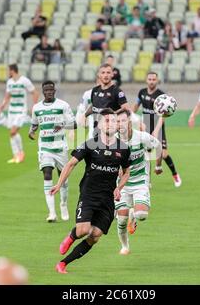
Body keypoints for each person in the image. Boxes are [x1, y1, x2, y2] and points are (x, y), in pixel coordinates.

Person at [52, 108, 131, 274]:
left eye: (113, 121)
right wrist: (59, 185)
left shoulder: (123, 148)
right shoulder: (90, 144)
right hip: (89, 195)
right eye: (107, 120)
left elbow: (126, 171)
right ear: (100, 125)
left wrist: (119, 187)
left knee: (95, 235)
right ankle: (71, 236)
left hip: (107, 200)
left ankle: (63, 264)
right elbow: (70, 164)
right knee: (83, 230)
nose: (110, 124)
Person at [115, 109, 162, 255]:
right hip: (121, 185)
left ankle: (133, 216)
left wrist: (158, 165)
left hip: (140, 180)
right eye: (117, 121)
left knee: (141, 215)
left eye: (123, 120)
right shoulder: (112, 141)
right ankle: (125, 246)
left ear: (129, 121)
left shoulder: (141, 137)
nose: (120, 124)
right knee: (121, 220)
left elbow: (158, 146)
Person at [29, 81, 76, 222]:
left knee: (63, 179)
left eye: (51, 89)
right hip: (44, 147)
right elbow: (34, 124)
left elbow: (74, 124)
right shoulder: (36, 108)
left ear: (55, 90)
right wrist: (31, 131)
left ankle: (63, 204)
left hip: (60, 147)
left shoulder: (63, 105)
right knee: (47, 173)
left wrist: (61, 124)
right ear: (43, 92)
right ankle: (52, 213)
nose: (49, 92)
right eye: (46, 90)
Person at [132, 72, 182, 187]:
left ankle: (175, 175)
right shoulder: (142, 92)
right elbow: (135, 106)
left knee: (164, 154)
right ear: (146, 80)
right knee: (146, 155)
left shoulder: (161, 96)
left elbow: (163, 116)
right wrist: (130, 115)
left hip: (157, 125)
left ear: (157, 80)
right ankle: (147, 181)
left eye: (154, 79)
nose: (151, 81)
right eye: (149, 79)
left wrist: (156, 130)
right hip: (145, 125)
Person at [0, 64, 39, 164]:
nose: (8, 72)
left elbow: (35, 92)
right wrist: (2, 105)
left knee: (13, 132)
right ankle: (16, 155)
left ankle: (20, 153)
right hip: (11, 110)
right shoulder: (9, 82)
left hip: (21, 111)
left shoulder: (24, 80)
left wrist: (34, 106)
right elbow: (7, 96)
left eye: (9, 70)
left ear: (12, 70)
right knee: (12, 134)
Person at [84, 63, 130, 129]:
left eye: (108, 72)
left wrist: (112, 115)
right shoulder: (95, 90)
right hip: (96, 131)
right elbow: (93, 106)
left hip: (111, 132)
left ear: (112, 74)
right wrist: (85, 115)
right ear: (99, 75)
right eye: (103, 72)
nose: (106, 75)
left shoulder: (117, 91)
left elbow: (126, 109)